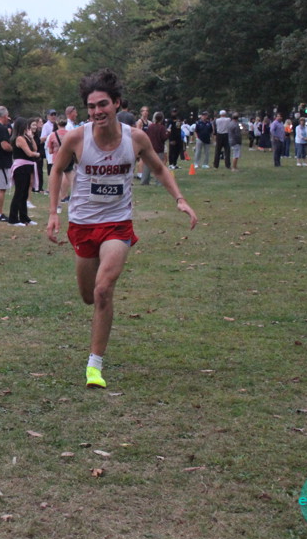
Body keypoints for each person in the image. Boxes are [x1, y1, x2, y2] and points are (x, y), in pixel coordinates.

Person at [46, 69, 197, 389]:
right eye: (91, 106)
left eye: (103, 104)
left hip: (117, 223)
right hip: (83, 223)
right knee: (88, 295)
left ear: (116, 103)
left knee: (103, 290)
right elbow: (56, 170)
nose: (97, 111)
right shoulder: (76, 138)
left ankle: (94, 365)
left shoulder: (136, 138)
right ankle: (96, 327)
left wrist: (180, 199)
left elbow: (159, 168)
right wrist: (53, 213)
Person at [7, 117, 40, 226]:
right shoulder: (19, 138)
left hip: (27, 167)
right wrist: (37, 155)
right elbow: (30, 153)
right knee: (19, 193)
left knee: (25, 193)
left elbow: (35, 148)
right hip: (21, 167)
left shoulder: (26, 137)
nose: (28, 127)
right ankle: (13, 219)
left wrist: (31, 137)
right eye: (26, 125)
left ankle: (24, 217)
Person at [142, 112, 168, 185]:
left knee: (147, 165)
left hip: (150, 148)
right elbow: (163, 138)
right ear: (162, 119)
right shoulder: (162, 128)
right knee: (158, 165)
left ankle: (144, 181)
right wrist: (168, 133)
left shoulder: (150, 126)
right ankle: (158, 181)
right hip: (159, 148)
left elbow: (146, 135)